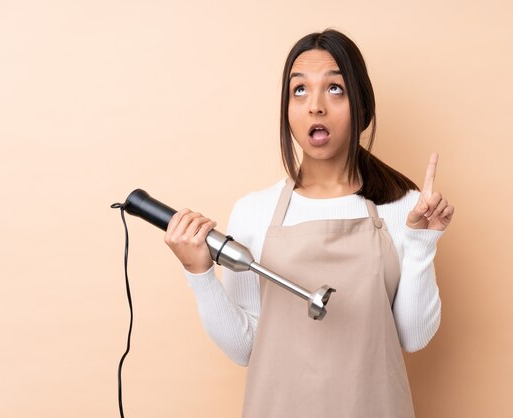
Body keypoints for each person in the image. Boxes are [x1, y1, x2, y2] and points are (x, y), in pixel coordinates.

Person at [164, 29, 454, 418]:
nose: (315, 106)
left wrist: (422, 241)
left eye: (335, 89)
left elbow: (413, 337)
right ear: (286, 109)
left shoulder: (402, 206)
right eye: (299, 91)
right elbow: (244, 348)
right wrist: (199, 274)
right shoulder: (254, 211)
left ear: (361, 106)